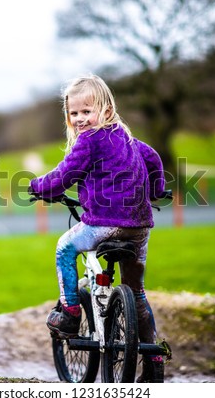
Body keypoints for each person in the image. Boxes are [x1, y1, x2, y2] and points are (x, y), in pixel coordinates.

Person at [28, 74, 166, 382]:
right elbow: (154, 158)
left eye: (86, 111)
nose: (79, 119)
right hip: (139, 226)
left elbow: (65, 174)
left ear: (105, 109)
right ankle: (155, 359)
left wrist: (40, 187)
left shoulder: (89, 140)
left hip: (103, 222)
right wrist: (157, 189)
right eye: (74, 113)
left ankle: (70, 313)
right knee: (137, 292)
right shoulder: (129, 139)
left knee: (65, 246)